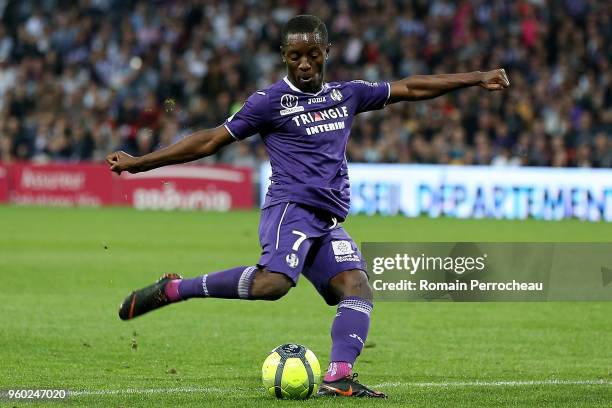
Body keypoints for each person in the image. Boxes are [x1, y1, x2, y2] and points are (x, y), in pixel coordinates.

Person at [106, 15, 509, 398]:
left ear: (327, 51)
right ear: (283, 54)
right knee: (274, 284)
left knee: (355, 287)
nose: (304, 63)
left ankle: (339, 377)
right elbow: (211, 140)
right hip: (290, 209)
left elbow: (410, 88)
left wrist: (475, 78)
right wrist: (139, 163)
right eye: (295, 55)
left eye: (312, 54)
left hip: (327, 218)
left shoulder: (346, 94)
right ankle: (176, 289)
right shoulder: (269, 102)